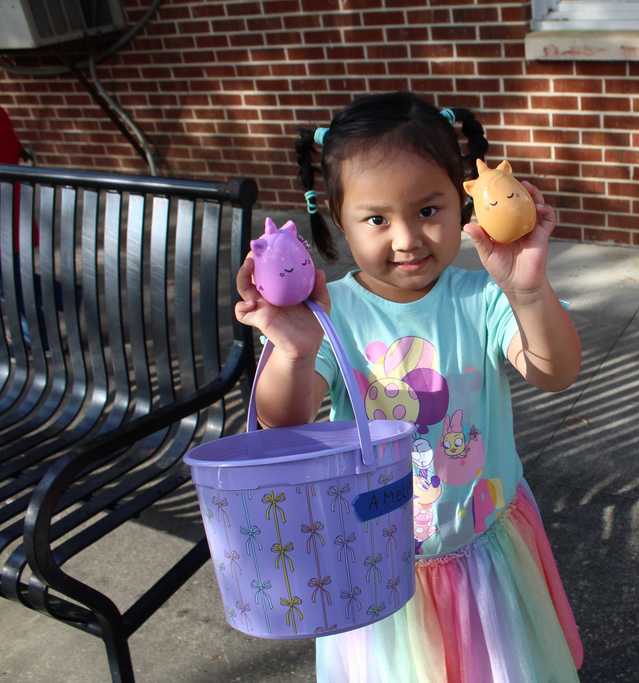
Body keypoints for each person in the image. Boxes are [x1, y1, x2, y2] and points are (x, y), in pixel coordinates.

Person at [235, 92, 584, 682]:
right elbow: (284, 421)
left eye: (428, 210)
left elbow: (555, 371)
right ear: (334, 218)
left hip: (483, 554)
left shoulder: (480, 299)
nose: (407, 239)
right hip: (380, 563)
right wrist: (294, 349)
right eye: (377, 219)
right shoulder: (330, 313)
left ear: (461, 199)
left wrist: (527, 291)